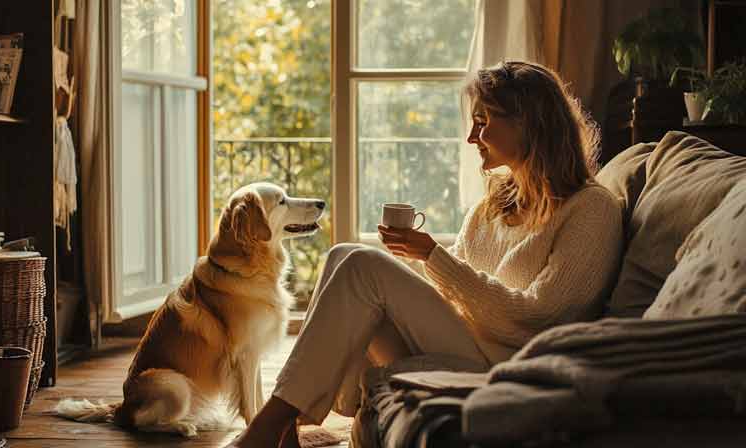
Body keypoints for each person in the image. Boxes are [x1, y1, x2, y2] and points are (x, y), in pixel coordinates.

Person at [227, 61, 623, 448]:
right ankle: (288, 424)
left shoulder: (591, 209)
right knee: (345, 255)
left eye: (483, 122)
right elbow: (457, 288)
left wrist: (432, 256)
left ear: (528, 123)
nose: (472, 136)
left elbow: (541, 316)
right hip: (459, 341)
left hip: (508, 360)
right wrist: (414, 259)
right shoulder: (495, 204)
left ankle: (269, 425)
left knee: (363, 266)